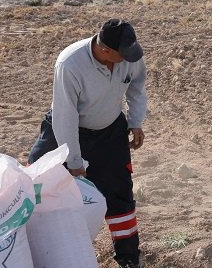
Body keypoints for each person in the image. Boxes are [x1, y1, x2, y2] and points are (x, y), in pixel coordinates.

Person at [28, 19, 147, 268]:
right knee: (39, 183)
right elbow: (65, 116)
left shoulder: (129, 55)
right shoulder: (70, 63)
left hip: (109, 128)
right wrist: (74, 162)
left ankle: (128, 257)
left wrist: (136, 121)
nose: (128, 59)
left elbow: (137, 85)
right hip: (65, 128)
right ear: (104, 50)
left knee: (120, 191)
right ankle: (31, 250)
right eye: (122, 55)